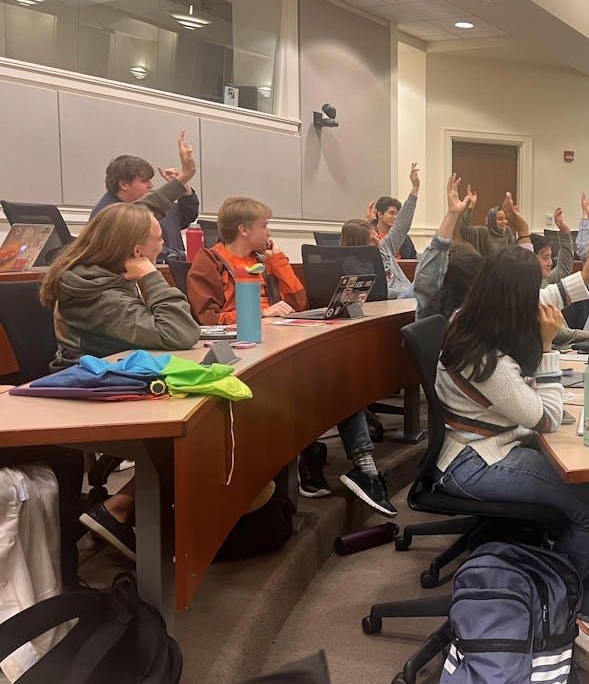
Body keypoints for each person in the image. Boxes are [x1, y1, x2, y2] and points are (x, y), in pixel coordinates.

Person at [434, 246, 589, 678]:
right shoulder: (489, 363)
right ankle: (560, 611)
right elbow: (548, 418)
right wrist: (549, 348)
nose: (539, 302)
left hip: (490, 446)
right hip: (474, 463)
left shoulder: (467, 316)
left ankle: (583, 616)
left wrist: (582, 280)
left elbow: (541, 295)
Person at [187, 198, 395, 514]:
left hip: (278, 341)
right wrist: (262, 312)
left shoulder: (263, 261)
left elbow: (299, 300)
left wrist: (277, 261)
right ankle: (310, 458)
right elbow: (207, 317)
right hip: (242, 352)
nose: (269, 231)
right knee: (308, 381)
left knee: (337, 376)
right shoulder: (210, 262)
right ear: (244, 230)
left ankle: (363, 466)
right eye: (264, 226)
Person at [39, 202, 202, 560]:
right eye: (158, 240)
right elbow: (178, 332)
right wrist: (151, 276)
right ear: (136, 250)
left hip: (113, 380)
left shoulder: (108, 278)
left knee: (209, 412)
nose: (164, 248)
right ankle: (117, 509)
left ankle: (141, 512)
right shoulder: (97, 292)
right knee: (196, 426)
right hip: (88, 392)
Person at [414, 175, 589, 322]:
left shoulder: (477, 316)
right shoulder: (466, 327)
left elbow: (527, 296)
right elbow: (428, 278)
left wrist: (523, 231)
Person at [90, 130, 200, 262]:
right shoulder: (107, 215)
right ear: (124, 184)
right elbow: (144, 250)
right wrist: (182, 255)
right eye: (144, 181)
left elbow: (188, 214)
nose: (151, 185)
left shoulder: (149, 205)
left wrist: (184, 186)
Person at [341, 163, 421, 299]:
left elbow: (402, 226)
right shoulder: (355, 264)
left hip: (409, 298)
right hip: (395, 302)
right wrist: (408, 293)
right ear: (360, 245)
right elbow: (376, 293)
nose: (378, 241)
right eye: (372, 239)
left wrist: (415, 189)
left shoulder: (384, 246)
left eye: (376, 236)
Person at [457, 188, 516, 257]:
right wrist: (471, 206)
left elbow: (514, 252)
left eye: (505, 218)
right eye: (500, 219)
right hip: (487, 267)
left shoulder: (507, 231)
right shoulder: (484, 232)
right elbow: (464, 228)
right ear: (492, 220)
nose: (504, 222)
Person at [368, 195, 417, 259]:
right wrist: (367, 221)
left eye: (397, 214)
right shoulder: (371, 235)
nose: (395, 217)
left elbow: (413, 259)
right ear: (380, 214)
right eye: (391, 213)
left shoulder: (405, 238)